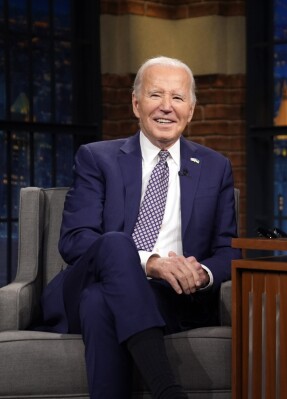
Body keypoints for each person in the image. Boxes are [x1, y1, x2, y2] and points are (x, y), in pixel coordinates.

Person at [38, 56, 240, 398]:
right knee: (117, 245)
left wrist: (201, 273)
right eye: (155, 95)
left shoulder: (215, 167)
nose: (166, 107)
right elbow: (75, 240)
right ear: (136, 104)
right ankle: (167, 388)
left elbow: (228, 250)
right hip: (87, 279)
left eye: (177, 98)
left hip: (167, 298)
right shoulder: (97, 158)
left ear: (190, 110)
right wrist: (152, 264)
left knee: (99, 302)